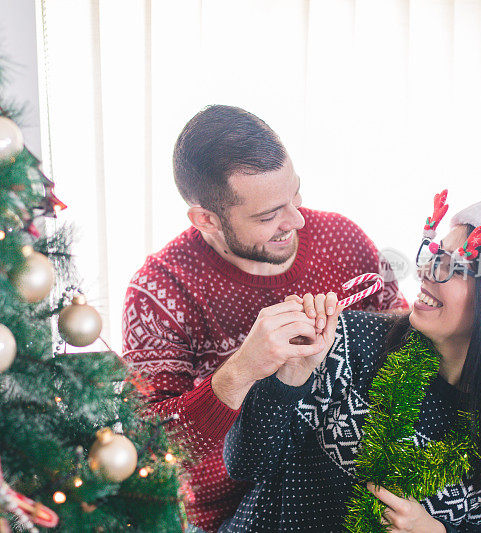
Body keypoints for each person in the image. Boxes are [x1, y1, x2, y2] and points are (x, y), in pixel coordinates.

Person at [222, 191, 481, 532]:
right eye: (434, 253)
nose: (426, 271)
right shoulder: (349, 343)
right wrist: (288, 378)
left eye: (455, 266)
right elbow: (244, 465)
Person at [121, 105, 407, 531]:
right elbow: (152, 447)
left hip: (340, 501)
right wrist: (240, 370)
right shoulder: (160, 291)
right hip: (227, 516)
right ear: (207, 220)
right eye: (268, 215)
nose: (296, 220)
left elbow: (412, 347)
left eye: (295, 195)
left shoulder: (342, 241)